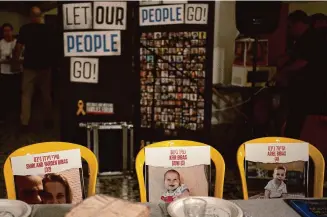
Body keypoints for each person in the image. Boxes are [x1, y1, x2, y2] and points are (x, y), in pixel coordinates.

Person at [275, 10, 327, 139]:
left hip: (307, 89)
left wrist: (284, 72)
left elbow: (303, 62)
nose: (289, 30)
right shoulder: (306, 39)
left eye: (290, 26)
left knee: (298, 121)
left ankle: (293, 146)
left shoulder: (310, 38)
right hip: (308, 89)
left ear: (298, 23)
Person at [13, 6, 54, 132]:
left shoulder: (25, 29)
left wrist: (15, 60)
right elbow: (53, 46)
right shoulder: (48, 29)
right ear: (40, 16)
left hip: (29, 66)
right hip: (45, 66)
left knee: (26, 95)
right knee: (46, 94)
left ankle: (25, 122)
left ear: (31, 16)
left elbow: (19, 46)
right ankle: (48, 120)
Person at [0, 23, 20, 124]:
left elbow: (22, 57)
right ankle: (4, 117)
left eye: (9, 30)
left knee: (16, 95)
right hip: (4, 73)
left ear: (12, 31)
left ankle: (17, 117)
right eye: (5, 31)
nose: (7, 33)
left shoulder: (17, 43)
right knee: (4, 96)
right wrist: (4, 60)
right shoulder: (1, 43)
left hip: (16, 73)